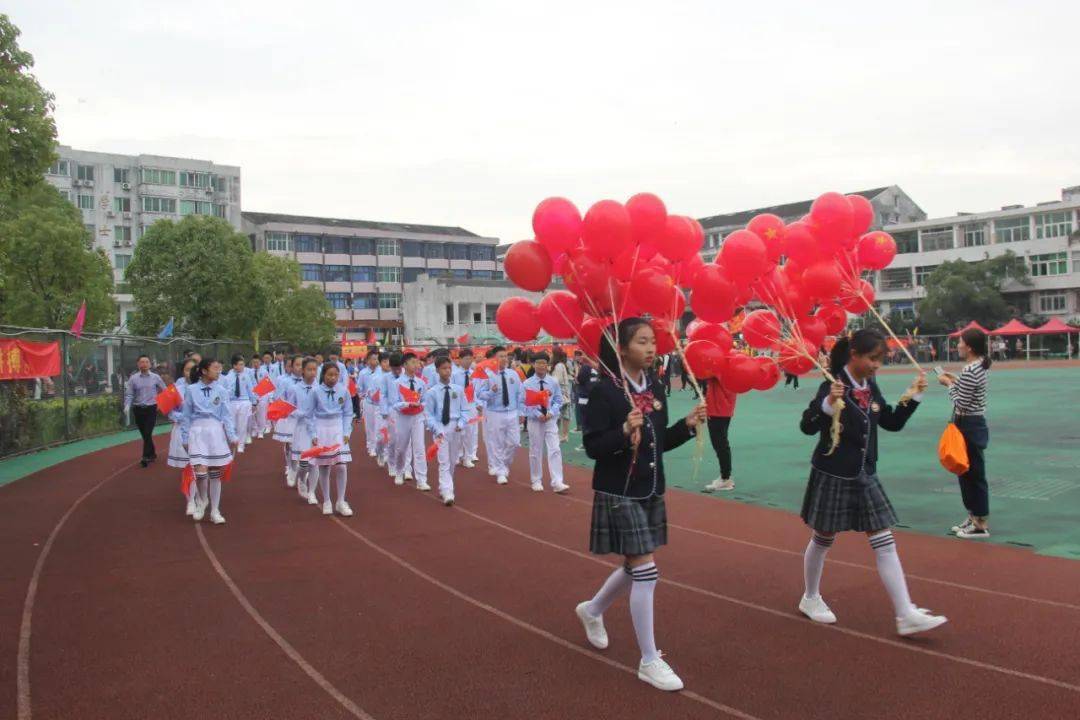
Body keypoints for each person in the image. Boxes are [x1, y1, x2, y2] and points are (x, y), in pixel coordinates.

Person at [573, 318, 707, 693]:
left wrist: (687, 424)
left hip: (649, 488)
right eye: (642, 341)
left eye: (653, 341)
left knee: (635, 567)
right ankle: (650, 659)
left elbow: (658, 443)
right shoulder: (604, 391)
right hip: (618, 491)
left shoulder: (656, 385)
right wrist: (623, 432)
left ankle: (593, 609)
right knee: (646, 570)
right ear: (622, 348)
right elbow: (594, 447)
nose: (651, 348)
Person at [796, 329, 945, 636]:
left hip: (865, 473)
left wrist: (914, 395)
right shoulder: (832, 385)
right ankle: (810, 597)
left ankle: (905, 613)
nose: (878, 365)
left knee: (884, 540)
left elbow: (890, 421)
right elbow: (807, 427)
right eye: (873, 359)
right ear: (855, 355)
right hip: (834, 473)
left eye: (881, 359)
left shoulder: (870, 385)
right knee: (823, 538)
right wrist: (826, 404)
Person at [938, 327, 992, 539]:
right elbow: (968, 391)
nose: (958, 345)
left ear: (969, 347)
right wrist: (956, 381)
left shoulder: (971, 369)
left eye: (960, 342)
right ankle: (973, 517)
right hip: (970, 423)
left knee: (973, 474)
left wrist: (948, 384)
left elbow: (961, 401)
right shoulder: (977, 366)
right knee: (965, 471)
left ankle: (980, 522)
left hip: (969, 423)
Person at [180, 358, 237, 525]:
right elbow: (186, 415)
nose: (218, 371)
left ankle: (215, 510)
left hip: (215, 431)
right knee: (200, 470)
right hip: (197, 431)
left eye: (220, 368)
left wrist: (232, 435)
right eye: (215, 368)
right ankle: (203, 500)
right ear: (204, 371)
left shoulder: (222, 390)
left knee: (215, 472)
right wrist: (184, 437)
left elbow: (226, 415)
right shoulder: (191, 390)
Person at [424, 355, 473, 505]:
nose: (447, 371)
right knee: (444, 461)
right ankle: (448, 492)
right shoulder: (432, 392)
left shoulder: (458, 390)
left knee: (452, 461)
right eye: (444, 368)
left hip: (455, 427)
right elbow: (429, 414)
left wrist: (461, 423)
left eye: (449, 368)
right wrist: (436, 428)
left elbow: (465, 410)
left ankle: (444, 486)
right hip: (440, 427)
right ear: (438, 370)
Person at [307, 362, 354, 516]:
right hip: (322, 428)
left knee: (341, 465)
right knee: (325, 466)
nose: (333, 378)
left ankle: (341, 500)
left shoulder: (343, 390)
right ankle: (327, 500)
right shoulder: (315, 391)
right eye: (329, 375)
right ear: (323, 375)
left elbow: (348, 413)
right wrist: (313, 434)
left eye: (336, 375)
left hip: (338, 428)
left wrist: (347, 431)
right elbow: (309, 415)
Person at [523, 352, 569, 493]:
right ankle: (536, 480)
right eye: (538, 363)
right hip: (535, 421)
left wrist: (551, 412)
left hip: (550, 420)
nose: (541, 366)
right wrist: (537, 414)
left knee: (555, 449)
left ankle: (557, 482)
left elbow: (558, 400)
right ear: (533, 364)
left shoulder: (553, 381)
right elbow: (523, 404)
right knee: (535, 450)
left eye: (544, 363)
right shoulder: (527, 383)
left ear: (547, 365)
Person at [477, 345, 523, 485]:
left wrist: (521, 412)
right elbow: (480, 394)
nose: (504, 359)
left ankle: (503, 463)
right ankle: (501, 471)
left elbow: (520, 394)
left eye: (505, 356)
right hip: (495, 412)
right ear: (494, 359)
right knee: (496, 443)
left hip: (512, 412)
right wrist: (491, 392)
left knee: (514, 442)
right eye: (501, 356)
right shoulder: (488, 375)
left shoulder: (513, 374)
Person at [385, 352, 429, 490]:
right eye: (412, 362)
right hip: (403, 418)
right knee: (401, 447)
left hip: (417, 417)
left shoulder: (421, 382)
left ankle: (421, 479)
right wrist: (407, 404)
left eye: (417, 362)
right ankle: (399, 471)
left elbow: (425, 400)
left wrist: (422, 406)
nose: (416, 365)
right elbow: (393, 403)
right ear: (405, 365)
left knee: (419, 448)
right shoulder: (396, 383)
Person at [285, 357, 320, 504]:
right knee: (304, 463)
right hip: (301, 428)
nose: (312, 373)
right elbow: (289, 408)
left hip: (317, 428)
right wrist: (300, 413)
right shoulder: (295, 388)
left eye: (314, 369)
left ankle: (312, 492)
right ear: (303, 371)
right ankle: (301, 479)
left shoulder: (319, 388)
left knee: (315, 462)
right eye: (309, 370)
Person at [168, 358, 198, 516]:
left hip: (200, 431)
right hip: (182, 430)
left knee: (200, 466)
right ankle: (190, 500)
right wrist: (183, 417)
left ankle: (200, 495)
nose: (190, 373)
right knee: (188, 467)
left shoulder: (204, 389)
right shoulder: (176, 389)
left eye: (193, 369)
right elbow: (170, 412)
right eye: (187, 369)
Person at [124, 355, 167, 467]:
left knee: (148, 432)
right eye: (142, 362)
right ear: (138, 364)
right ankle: (152, 452)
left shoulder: (155, 377)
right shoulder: (133, 378)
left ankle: (145, 457)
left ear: (150, 364)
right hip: (138, 409)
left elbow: (165, 390)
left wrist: (160, 403)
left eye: (146, 362)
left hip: (151, 408)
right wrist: (127, 405)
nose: (144, 364)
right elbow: (129, 394)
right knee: (145, 434)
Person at [271, 355, 303, 487]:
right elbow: (278, 397)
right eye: (294, 365)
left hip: (303, 417)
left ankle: (300, 469)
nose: (298, 368)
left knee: (302, 444)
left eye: (301, 365)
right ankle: (290, 466)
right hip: (289, 416)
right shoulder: (284, 381)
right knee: (290, 444)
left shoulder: (308, 381)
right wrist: (286, 408)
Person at [702, 377, 737, 492]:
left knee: (720, 444)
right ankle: (725, 476)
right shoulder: (731, 366)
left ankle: (725, 478)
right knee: (721, 443)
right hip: (723, 408)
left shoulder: (720, 367)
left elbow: (704, 375)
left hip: (718, 408)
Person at [221, 354, 258, 453]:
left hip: (244, 401)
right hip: (232, 402)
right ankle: (233, 442)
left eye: (243, 364)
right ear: (234, 365)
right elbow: (224, 392)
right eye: (240, 364)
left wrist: (254, 403)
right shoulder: (228, 377)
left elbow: (251, 390)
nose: (242, 367)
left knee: (242, 424)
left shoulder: (246, 376)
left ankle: (241, 444)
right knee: (232, 424)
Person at [455, 349, 480, 468]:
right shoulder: (454, 374)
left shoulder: (473, 374)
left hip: (471, 405)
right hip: (459, 406)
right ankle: (457, 454)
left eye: (471, 358)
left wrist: (478, 403)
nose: (469, 361)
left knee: (470, 433)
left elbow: (477, 390)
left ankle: (468, 457)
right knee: (459, 432)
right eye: (466, 358)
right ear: (460, 360)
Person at [551, 348, 573, 442]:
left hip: (561, 394)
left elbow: (556, 380)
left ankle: (564, 435)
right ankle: (563, 435)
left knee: (561, 415)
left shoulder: (559, 366)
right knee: (563, 415)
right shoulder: (561, 365)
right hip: (563, 393)